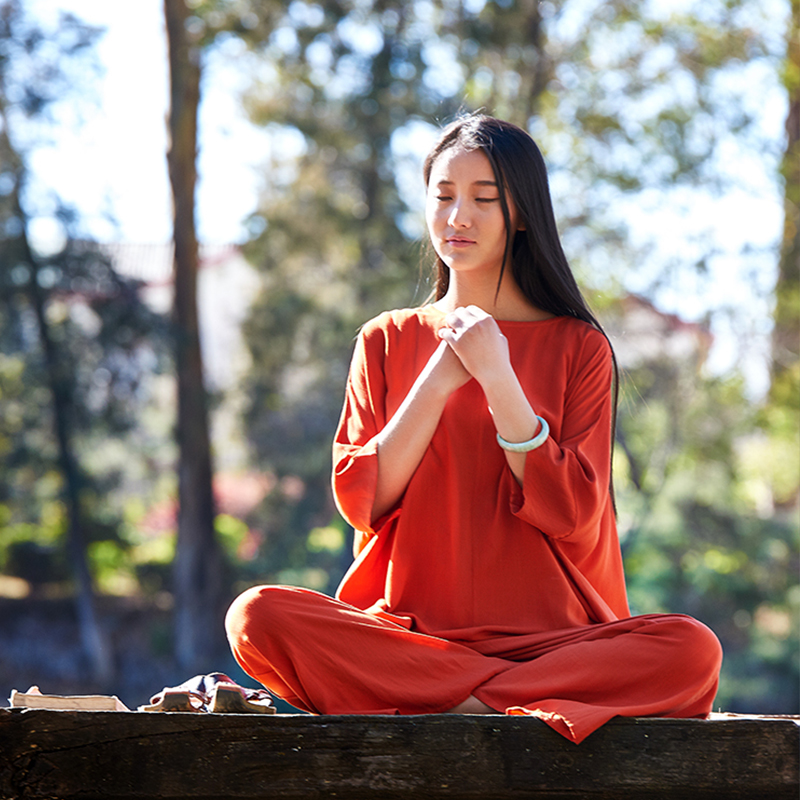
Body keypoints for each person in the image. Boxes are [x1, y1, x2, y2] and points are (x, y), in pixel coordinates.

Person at [225, 114, 722, 744]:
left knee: (691, 649)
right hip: (411, 637)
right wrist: (436, 380)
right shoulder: (387, 338)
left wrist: (498, 379)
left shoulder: (579, 346)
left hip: (552, 646)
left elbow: (572, 511)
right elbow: (361, 502)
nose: (458, 217)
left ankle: (451, 703)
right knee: (257, 615)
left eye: (483, 199)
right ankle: (499, 705)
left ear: (520, 212)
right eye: (443, 196)